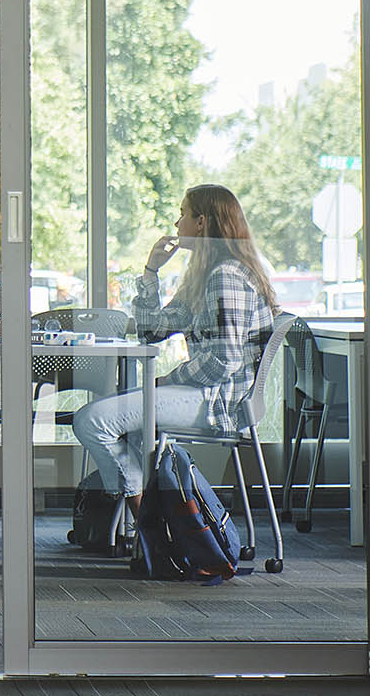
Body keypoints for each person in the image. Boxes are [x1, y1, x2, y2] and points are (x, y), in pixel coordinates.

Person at [72, 184, 278, 515]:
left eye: (182, 213)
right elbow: (152, 331)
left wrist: (168, 380)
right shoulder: (205, 274)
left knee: (92, 421)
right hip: (206, 393)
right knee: (113, 421)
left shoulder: (226, 276)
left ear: (201, 222)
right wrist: (151, 271)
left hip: (217, 401)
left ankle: (146, 521)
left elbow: (225, 360)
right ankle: (153, 524)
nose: (176, 222)